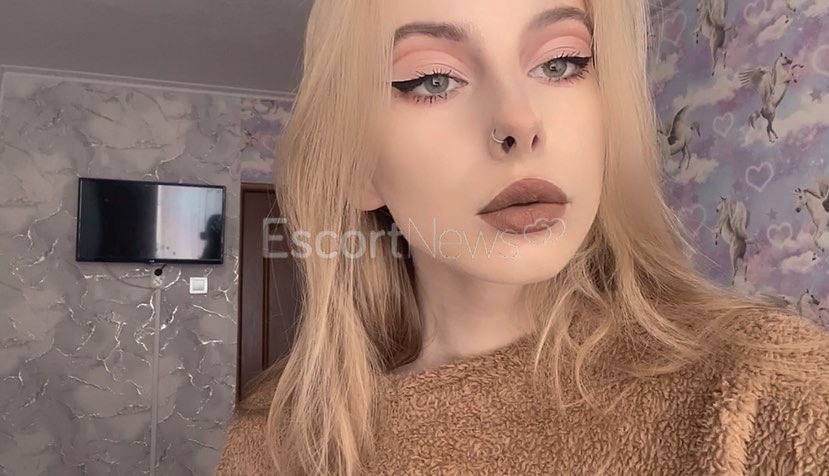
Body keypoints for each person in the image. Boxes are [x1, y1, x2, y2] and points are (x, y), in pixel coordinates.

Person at [216, 0, 829, 474]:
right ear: (358, 166)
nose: (519, 121)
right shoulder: (274, 443)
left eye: (560, 64)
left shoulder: (763, 388)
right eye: (433, 79)